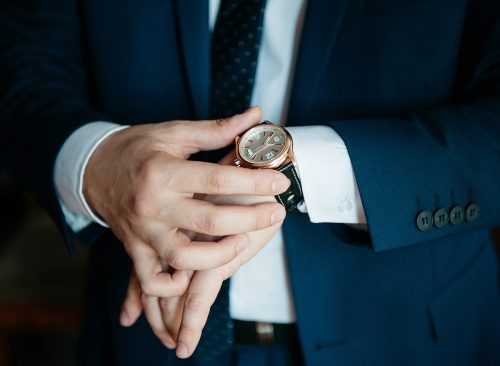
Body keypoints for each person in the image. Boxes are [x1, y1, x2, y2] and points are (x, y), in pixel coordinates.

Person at [0, 0, 499, 365]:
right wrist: (96, 163)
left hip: (412, 338)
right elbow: (23, 69)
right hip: (141, 336)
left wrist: (294, 171)